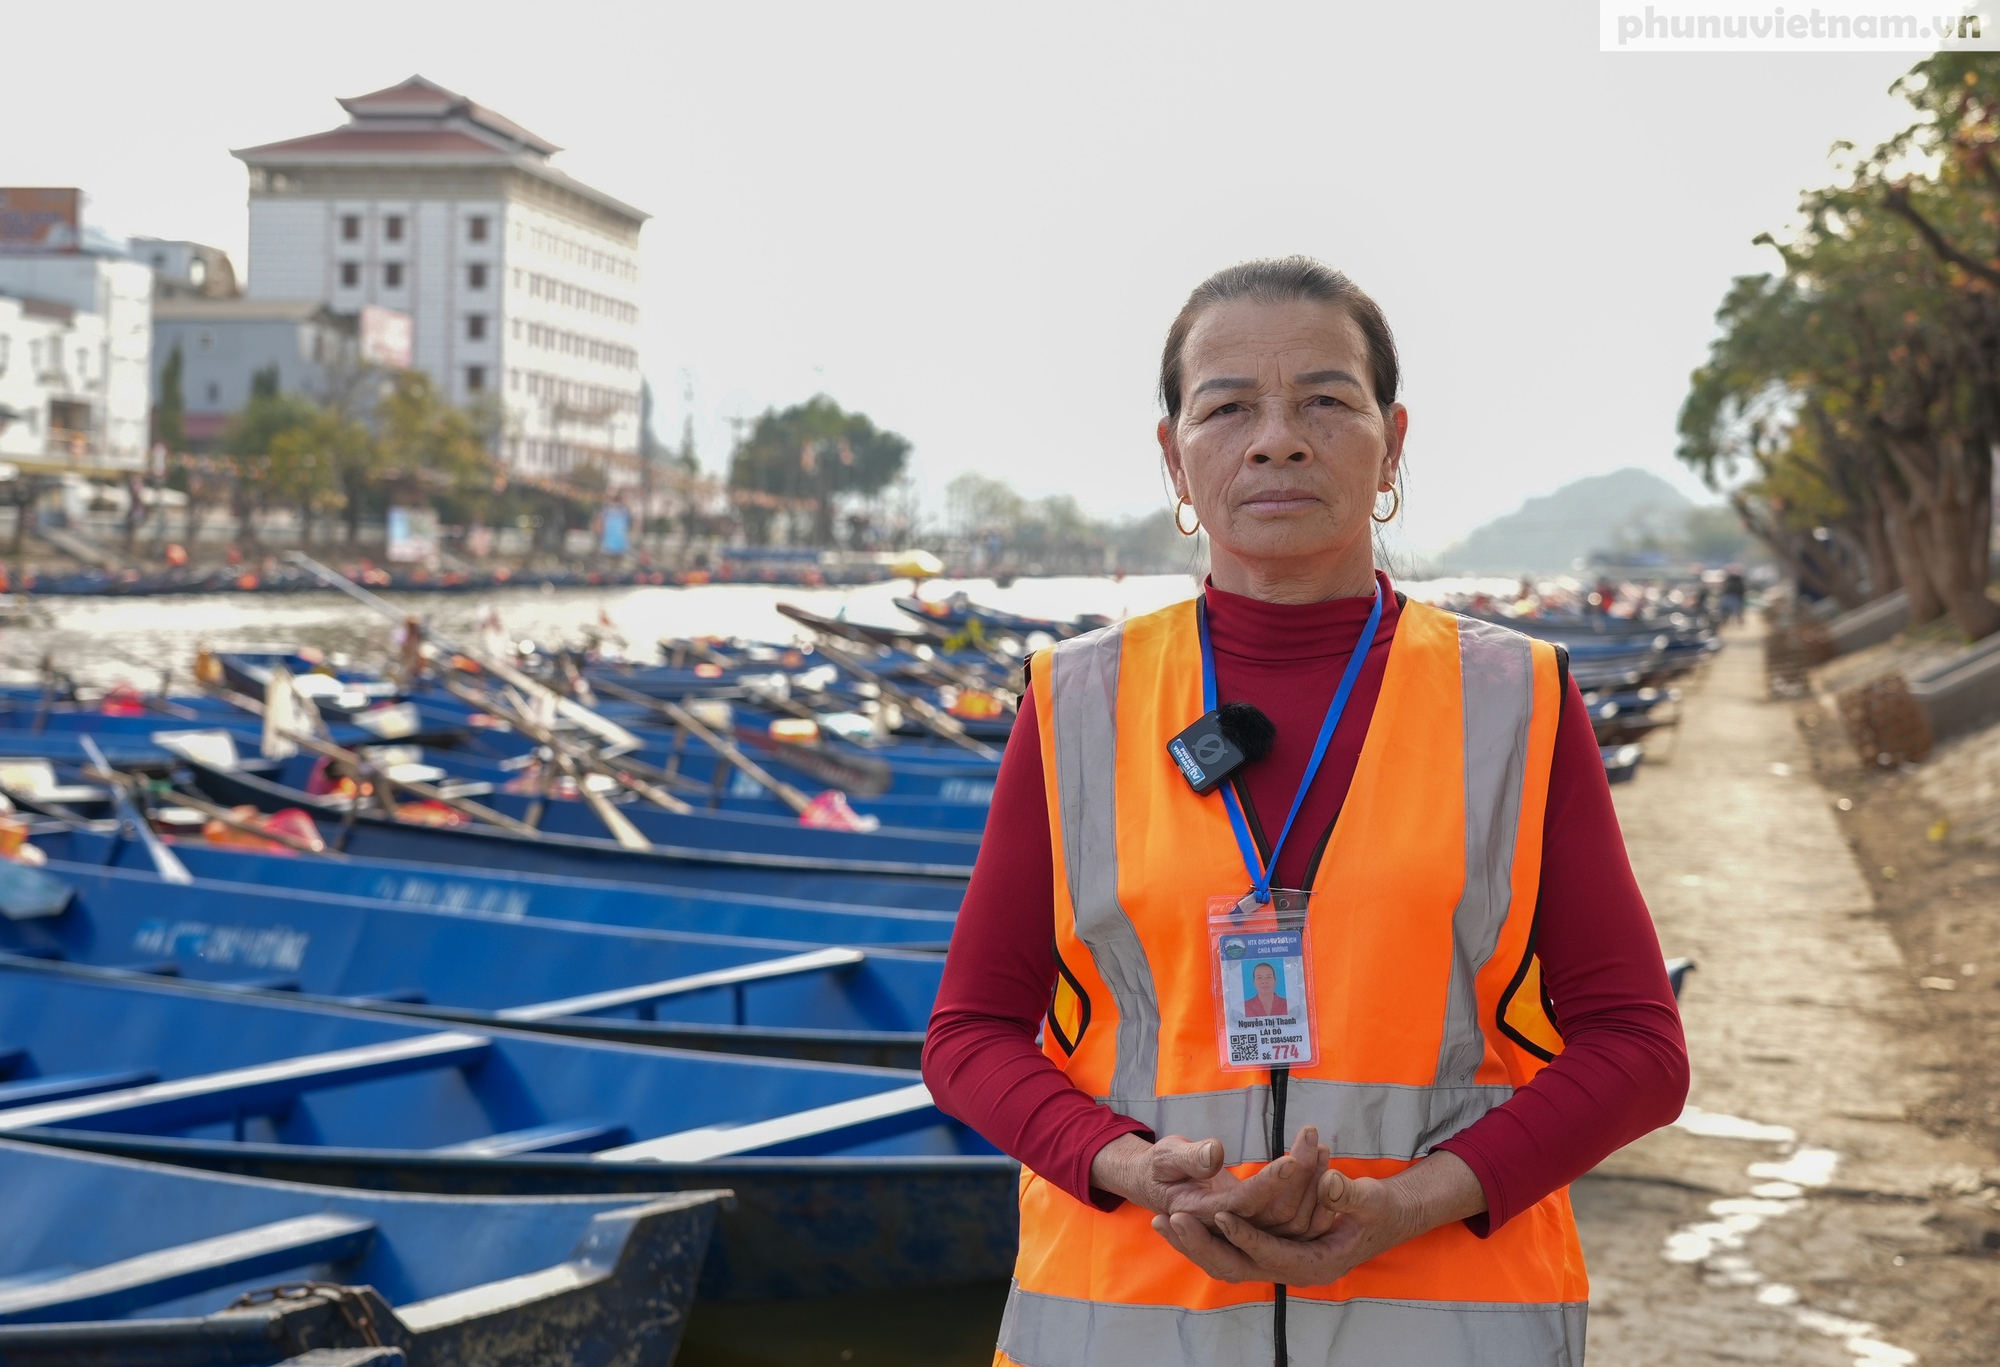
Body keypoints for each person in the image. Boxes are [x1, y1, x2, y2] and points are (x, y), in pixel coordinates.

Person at [922, 257, 1689, 1366]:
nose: (1276, 438)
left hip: (1442, 1322)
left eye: (1324, 400)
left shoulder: (1516, 696)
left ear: (1392, 440)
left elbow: (1636, 1047)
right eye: (1227, 406)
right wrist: (1130, 1163)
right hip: (1126, 1317)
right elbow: (969, 1035)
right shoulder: (1074, 700)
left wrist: (1412, 1199)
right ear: (1172, 454)